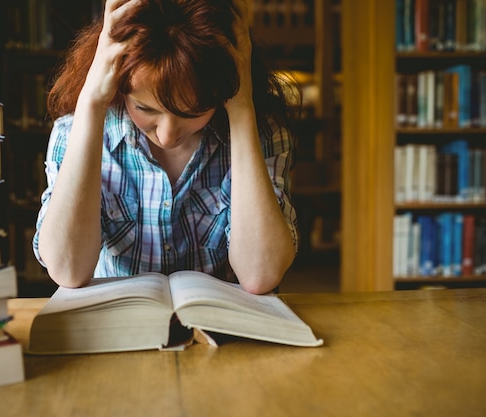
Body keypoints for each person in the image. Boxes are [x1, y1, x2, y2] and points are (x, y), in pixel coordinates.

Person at [33, 0, 300, 294]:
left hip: (219, 334)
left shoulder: (263, 134)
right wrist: (92, 100)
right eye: (145, 108)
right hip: (118, 334)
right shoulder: (74, 132)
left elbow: (260, 274)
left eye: (193, 112)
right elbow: (67, 269)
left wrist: (241, 107)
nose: (168, 134)